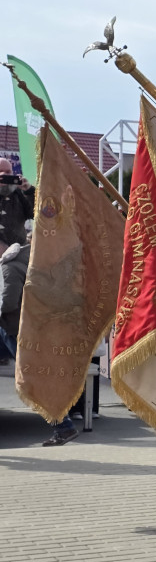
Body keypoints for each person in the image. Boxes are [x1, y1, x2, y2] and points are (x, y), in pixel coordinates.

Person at [0, 235, 79, 445]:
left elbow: (8, 303)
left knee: (34, 381)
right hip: (37, 329)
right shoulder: (33, 261)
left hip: (15, 330)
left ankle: (64, 427)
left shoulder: (9, 267)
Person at [0, 158, 32, 246]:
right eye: (0, 171)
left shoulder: (19, 193)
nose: (3, 174)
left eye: (8, 172)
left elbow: (36, 214)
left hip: (19, 249)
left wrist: (29, 191)